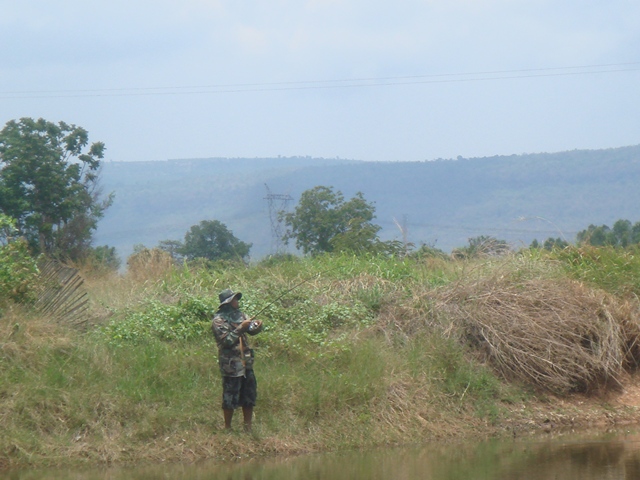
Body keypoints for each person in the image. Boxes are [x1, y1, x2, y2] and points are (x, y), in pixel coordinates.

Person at [211, 289, 263, 432]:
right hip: (231, 364)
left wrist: (257, 326)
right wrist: (241, 328)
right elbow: (226, 341)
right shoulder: (218, 320)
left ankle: (248, 427)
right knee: (230, 396)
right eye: (235, 299)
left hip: (246, 362)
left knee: (249, 395)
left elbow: (251, 330)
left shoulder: (241, 315)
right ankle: (228, 428)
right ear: (228, 303)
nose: (237, 302)